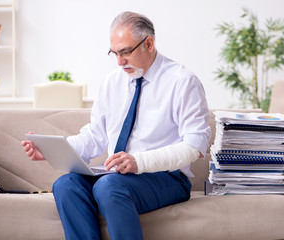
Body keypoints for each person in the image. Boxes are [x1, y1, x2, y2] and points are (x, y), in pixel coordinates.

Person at [21, 11, 210, 240]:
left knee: (108, 187)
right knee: (66, 185)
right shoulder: (112, 82)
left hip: (167, 178)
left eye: (126, 52)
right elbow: (95, 136)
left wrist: (138, 162)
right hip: (118, 176)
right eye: (115, 53)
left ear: (149, 44)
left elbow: (193, 147)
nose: (120, 62)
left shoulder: (183, 82)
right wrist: (52, 149)